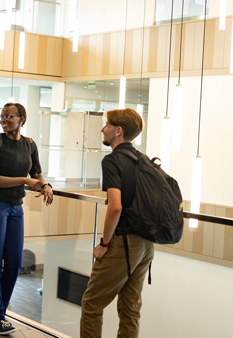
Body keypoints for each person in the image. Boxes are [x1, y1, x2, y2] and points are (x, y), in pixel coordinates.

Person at [0, 102, 53, 335]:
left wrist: (46, 184)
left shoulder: (29, 144)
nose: (3, 120)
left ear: (21, 118)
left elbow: (36, 173)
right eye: (1, 116)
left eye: (8, 116)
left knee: (14, 263)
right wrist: (24, 181)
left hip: (15, 208)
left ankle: (1, 310)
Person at [80, 108, 154, 337]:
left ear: (118, 131)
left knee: (92, 304)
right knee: (130, 308)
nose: (103, 129)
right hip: (146, 244)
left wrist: (104, 243)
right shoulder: (144, 159)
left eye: (106, 125)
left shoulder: (112, 161)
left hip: (123, 243)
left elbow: (116, 207)